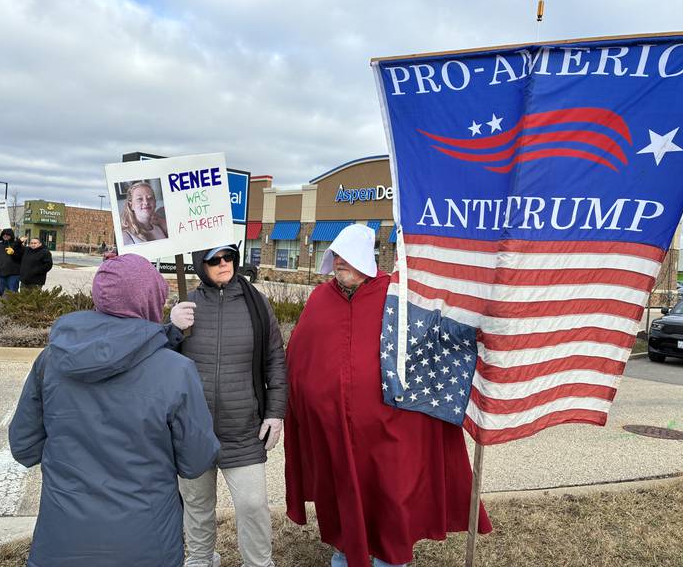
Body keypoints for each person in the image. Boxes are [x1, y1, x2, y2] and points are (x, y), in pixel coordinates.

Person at [284, 224, 492, 567]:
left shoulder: (395, 296)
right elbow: (299, 358)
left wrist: (480, 326)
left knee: (390, 498)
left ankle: (390, 561)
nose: (340, 263)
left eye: (348, 258)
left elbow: (434, 337)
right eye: (336, 256)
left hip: (390, 429)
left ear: (366, 260)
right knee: (342, 497)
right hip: (334, 431)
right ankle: (345, 554)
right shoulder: (320, 300)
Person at [9, 254, 220, 567]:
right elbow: (196, 459)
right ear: (151, 300)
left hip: (61, 543)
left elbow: (24, 447)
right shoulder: (177, 371)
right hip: (147, 544)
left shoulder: (51, 360)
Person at [167, 244, 287, 567]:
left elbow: (275, 358)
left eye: (229, 257)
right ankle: (201, 559)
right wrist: (170, 329)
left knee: (252, 506)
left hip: (243, 432)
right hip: (194, 431)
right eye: (214, 260)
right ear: (199, 264)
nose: (224, 264)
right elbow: (162, 361)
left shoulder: (256, 304)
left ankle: (259, 562)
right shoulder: (186, 303)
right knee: (197, 505)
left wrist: (275, 413)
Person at [0, 228, 23, 294]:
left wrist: (14, 253)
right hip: (1, 273)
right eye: (4, 234)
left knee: (13, 292)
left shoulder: (17, 245)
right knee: (3, 292)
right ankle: (5, 305)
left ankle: (13, 305)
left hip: (13, 274)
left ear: (11, 235)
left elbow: (21, 257)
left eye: (7, 234)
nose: (5, 235)